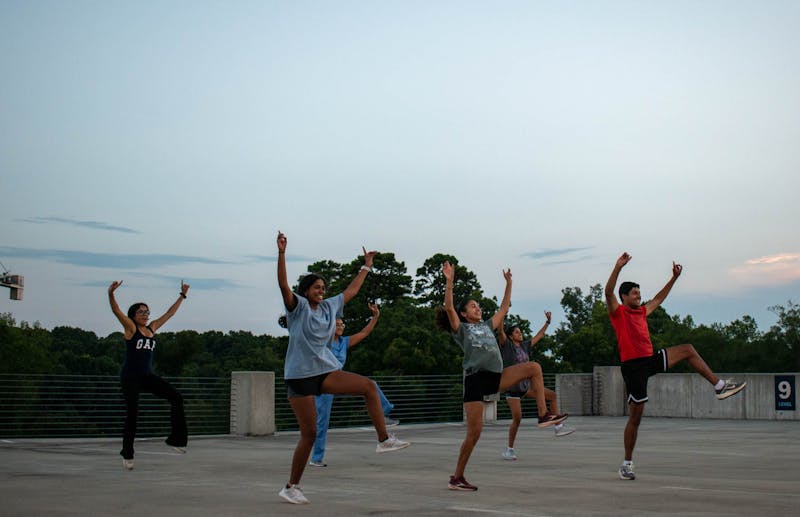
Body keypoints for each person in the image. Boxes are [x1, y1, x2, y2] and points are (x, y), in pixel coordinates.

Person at [276, 232, 410, 505]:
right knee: (309, 434)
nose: (321, 290)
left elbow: (351, 291)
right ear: (306, 291)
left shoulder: (328, 307)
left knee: (368, 386)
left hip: (324, 371)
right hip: (300, 376)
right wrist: (282, 254)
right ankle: (292, 486)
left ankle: (383, 439)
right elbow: (283, 286)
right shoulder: (298, 307)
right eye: (316, 287)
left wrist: (366, 266)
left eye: (323, 287)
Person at [605, 252, 747, 481]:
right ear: (624, 297)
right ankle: (626, 463)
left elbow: (659, 299)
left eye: (639, 293)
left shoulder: (641, 311)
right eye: (634, 293)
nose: (639, 297)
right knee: (635, 418)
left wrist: (673, 279)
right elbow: (608, 291)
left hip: (649, 359)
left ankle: (719, 385)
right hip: (633, 368)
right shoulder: (618, 313)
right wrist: (617, 267)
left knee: (688, 349)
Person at [436, 261, 567, 491]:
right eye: (473, 307)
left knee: (534, 367)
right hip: (476, 380)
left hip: (497, 377)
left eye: (478, 306)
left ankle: (543, 415)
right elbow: (449, 309)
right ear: (464, 314)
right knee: (474, 433)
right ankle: (457, 477)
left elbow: (504, 307)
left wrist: (509, 283)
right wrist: (449, 282)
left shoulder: (487, 325)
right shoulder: (462, 329)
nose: (478, 308)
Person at [107, 279, 190, 471]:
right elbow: (116, 311)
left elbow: (169, 314)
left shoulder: (152, 328)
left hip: (147, 376)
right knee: (132, 414)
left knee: (176, 398)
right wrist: (111, 294)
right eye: (141, 312)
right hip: (130, 377)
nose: (145, 315)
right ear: (133, 316)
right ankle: (127, 453)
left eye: (147, 312)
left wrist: (182, 296)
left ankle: (176, 440)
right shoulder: (131, 329)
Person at [497, 312, 575, 461]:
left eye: (520, 332)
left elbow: (538, 336)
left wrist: (547, 323)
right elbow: (500, 331)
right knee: (517, 418)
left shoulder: (524, 346)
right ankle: (509, 449)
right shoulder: (507, 345)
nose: (520, 334)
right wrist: (501, 315)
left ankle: (558, 427)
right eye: (517, 332)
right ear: (511, 336)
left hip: (525, 387)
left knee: (552, 396)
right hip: (513, 389)